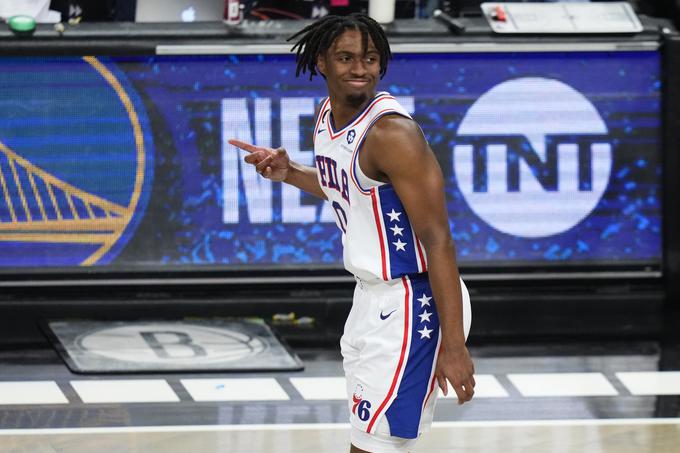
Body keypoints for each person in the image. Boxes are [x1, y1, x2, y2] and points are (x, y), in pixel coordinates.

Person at [229, 13, 474, 453]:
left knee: (375, 449)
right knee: (368, 444)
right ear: (322, 62)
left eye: (370, 58)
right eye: (346, 58)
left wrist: (453, 345)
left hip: (413, 303)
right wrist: (290, 173)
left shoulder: (392, 134)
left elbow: (440, 241)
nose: (360, 68)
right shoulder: (328, 117)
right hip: (370, 299)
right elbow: (343, 187)